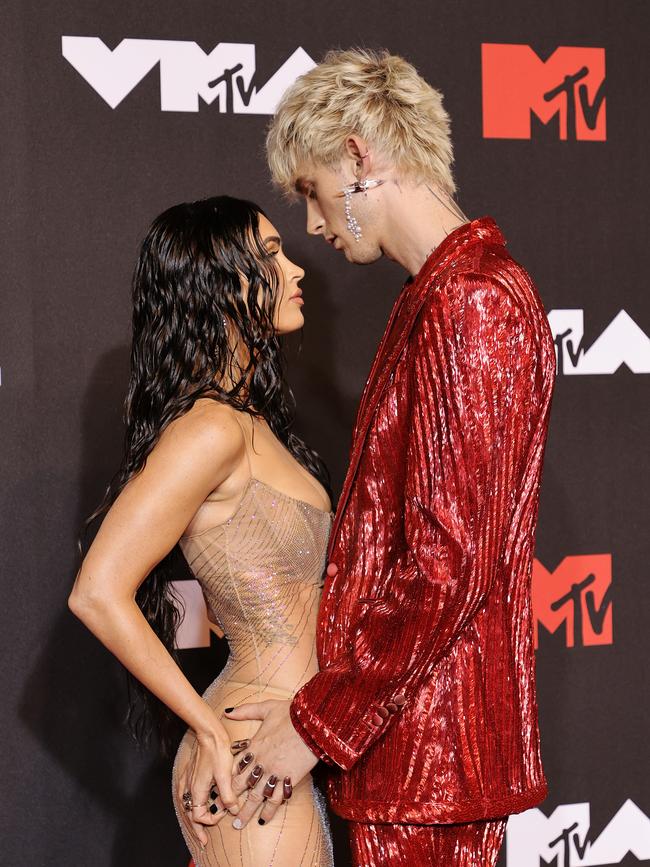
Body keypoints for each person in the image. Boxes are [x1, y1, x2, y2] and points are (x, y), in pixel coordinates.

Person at [221, 49, 557, 866]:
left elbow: (446, 564)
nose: (313, 223)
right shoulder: (439, 297)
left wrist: (317, 725)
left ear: (359, 155)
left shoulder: (470, 302)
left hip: (429, 764)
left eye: (311, 188)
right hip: (408, 754)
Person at [68, 196, 335, 867]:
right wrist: (210, 730)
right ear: (219, 285)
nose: (297, 268)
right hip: (253, 762)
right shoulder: (210, 429)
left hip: (298, 743)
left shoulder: (249, 420)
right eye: (271, 256)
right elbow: (97, 591)